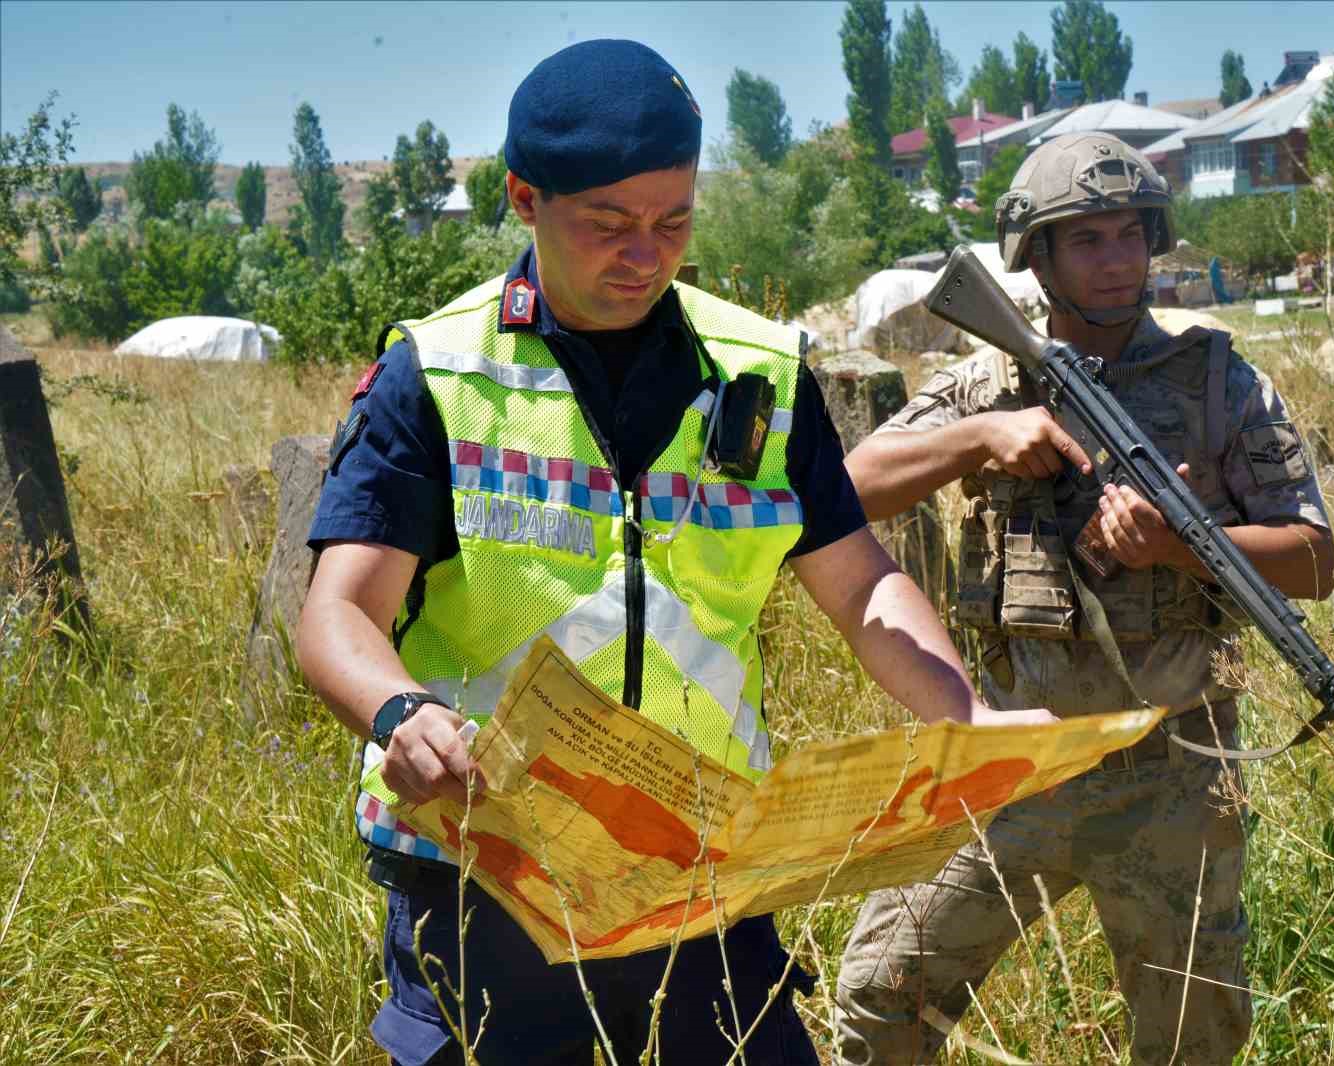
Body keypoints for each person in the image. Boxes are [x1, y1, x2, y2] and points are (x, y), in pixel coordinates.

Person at [296, 40, 1049, 1066]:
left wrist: (966, 727)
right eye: (606, 223)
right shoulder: (434, 374)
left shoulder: (761, 371)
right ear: (523, 197)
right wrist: (402, 715)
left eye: (674, 221)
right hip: (485, 863)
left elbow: (862, 585)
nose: (645, 255)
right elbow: (338, 615)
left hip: (705, 863)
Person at [831, 132, 1334, 1065]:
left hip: (1173, 769)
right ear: (1038, 257)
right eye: (1088, 241)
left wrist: (1187, 546)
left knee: (1191, 1039)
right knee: (879, 998)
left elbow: (1314, 559)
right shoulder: (985, 384)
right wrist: (978, 437)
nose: (1118, 262)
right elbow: (841, 492)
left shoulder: (1223, 382)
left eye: (1130, 236)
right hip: (1012, 756)